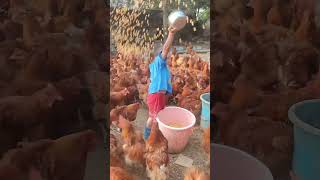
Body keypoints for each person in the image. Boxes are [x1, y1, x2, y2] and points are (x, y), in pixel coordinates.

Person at [144, 25, 178, 140]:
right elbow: (166, 48)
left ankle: (151, 135)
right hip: (156, 95)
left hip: (159, 95)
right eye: (168, 56)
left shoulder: (159, 67)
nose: (169, 58)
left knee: (155, 116)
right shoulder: (159, 62)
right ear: (161, 55)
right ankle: (149, 137)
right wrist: (171, 34)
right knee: (153, 117)